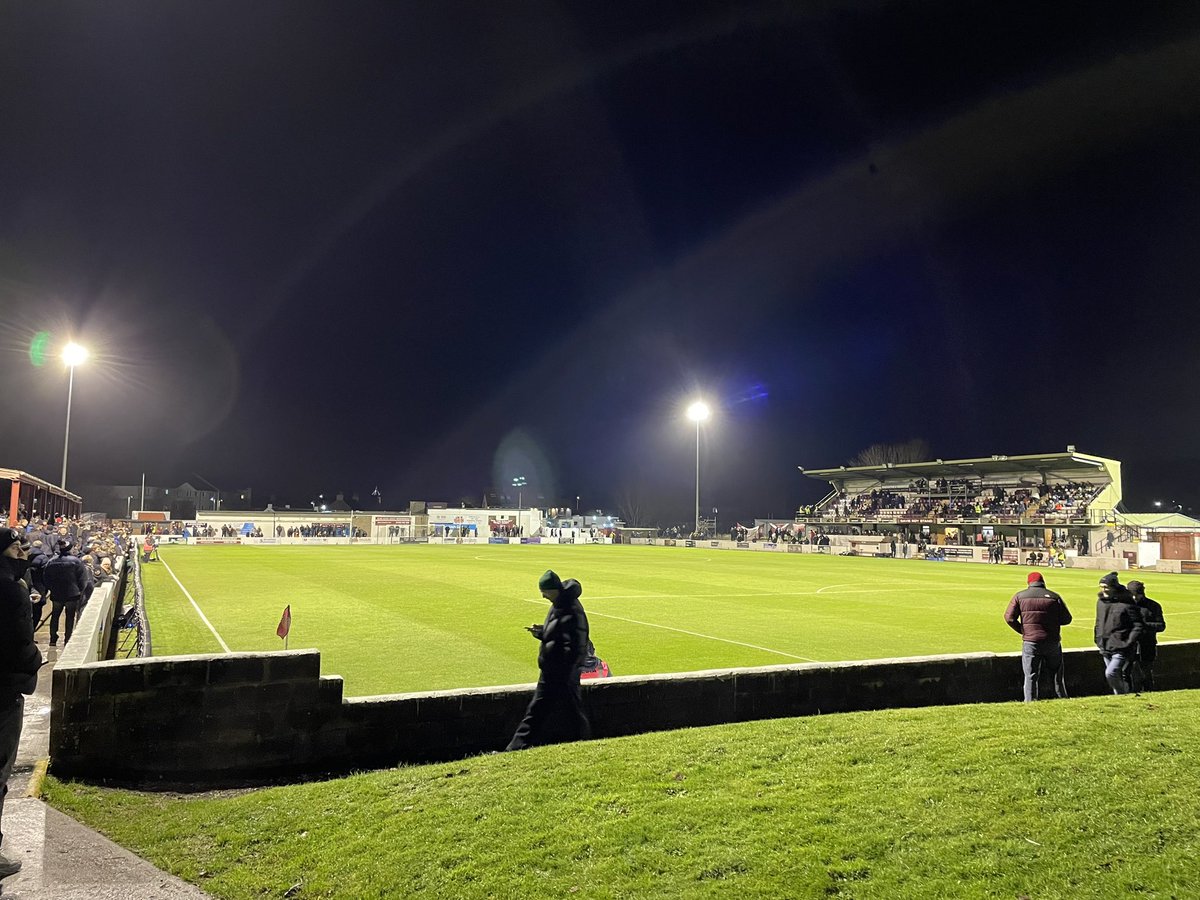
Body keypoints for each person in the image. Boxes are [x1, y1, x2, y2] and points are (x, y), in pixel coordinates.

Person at [505, 569, 591, 751]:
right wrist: (542, 632)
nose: (543, 596)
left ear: (553, 589)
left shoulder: (569, 608)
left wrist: (564, 670)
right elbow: (560, 634)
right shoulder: (560, 604)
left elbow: (575, 643)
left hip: (559, 671)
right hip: (557, 670)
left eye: (544, 591)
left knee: (541, 709)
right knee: (564, 709)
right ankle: (583, 741)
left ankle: (516, 748)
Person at [1, 528, 44, 879]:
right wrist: (35, 660)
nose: (22, 553)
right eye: (17, 548)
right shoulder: (11, 590)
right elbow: (19, 644)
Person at [1004, 571, 1073, 701]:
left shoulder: (1020, 596)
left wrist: (1023, 630)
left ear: (1029, 582)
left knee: (1030, 676)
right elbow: (1067, 619)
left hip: (1031, 641)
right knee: (1057, 676)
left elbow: (1009, 618)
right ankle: (1062, 700)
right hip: (1052, 641)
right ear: (1043, 582)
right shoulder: (1054, 596)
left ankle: (1030, 703)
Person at [1094, 572, 1144, 695]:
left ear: (1114, 588)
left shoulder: (1127, 604)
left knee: (1110, 673)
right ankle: (1121, 697)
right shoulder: (1101, 602)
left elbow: (1138, 625)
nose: (1103, 590)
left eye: (1106, 587)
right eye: (1101, 587)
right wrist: (1097, 638)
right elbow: (1098, 622)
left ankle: (1122, 695)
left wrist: (1128, 642)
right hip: (1104, 645)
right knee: (1115, 676)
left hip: (1121, 646)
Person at [42, 539, 92, 647]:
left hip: (56, 594)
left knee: (55, 616)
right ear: (70, 549)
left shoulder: (51, 561)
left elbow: (46, 577)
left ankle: (53, 639)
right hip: (72, 594)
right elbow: (83, 579)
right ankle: (67, 639)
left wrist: (51, 588)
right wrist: (80, 590)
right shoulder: (76, 561)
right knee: (70, 617)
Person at [1128, 580, 1166, 692]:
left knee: (1146, 673)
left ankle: (1149, 692)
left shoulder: (1153, 606)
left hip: (1147, 644)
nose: (1134, 598)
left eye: (1137, 595)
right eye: (1132, 595)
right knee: (1130, 673)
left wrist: (1144, 625)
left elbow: (1161, 626)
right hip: (1130, 645)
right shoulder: (1126, 606)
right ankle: (1131, 694)